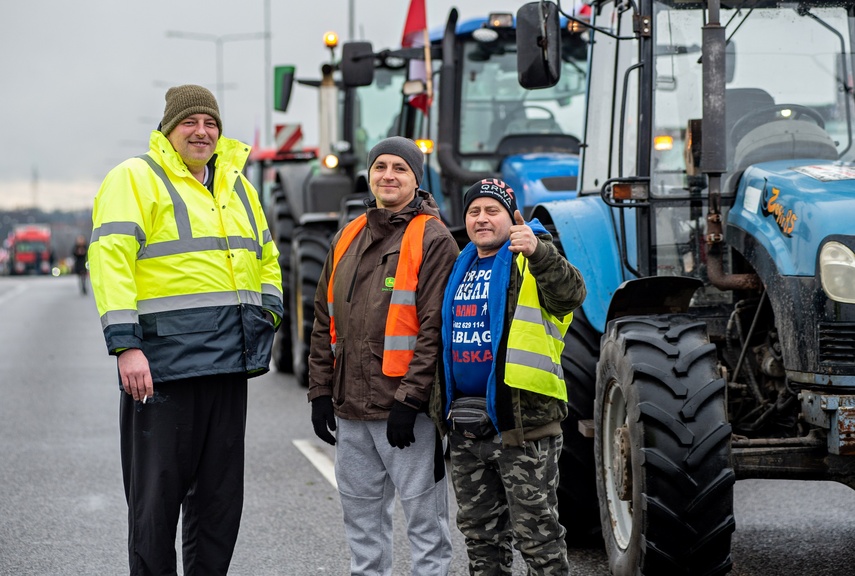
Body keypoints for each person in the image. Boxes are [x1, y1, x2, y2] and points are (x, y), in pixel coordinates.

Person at [88, 84, 283, 575]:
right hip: (162, 370)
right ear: (168, 129)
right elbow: (109, 261)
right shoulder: (135, 177)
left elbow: (267, 258)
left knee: (219, 506)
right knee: (155, 506)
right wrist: (126, 346)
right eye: (191, 123)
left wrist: (268, 317)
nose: (202, 132)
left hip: (227, 366)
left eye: (210, 123)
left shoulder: (237, 185)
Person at [308, 136, 459, 575]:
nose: (388, 175)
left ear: (416, 178)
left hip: (405, 413)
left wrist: (410, 400)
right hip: (350, 410)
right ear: (369, 174)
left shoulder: (433, 238)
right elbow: (323, 320)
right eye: (380, 167)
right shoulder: (347, 235)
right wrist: (320, 392)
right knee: (361, 527)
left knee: (425, 526)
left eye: (400, 168)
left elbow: (434, 329)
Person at [438, 178, 586, 575]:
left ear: (510, 217)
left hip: (523, 427)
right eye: (474, 212)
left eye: (492, 211)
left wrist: (539, 252)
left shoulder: (530, 257)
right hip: (468, 427)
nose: (482, 219)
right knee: (481, 539)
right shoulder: (461, 263)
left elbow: (571, 294)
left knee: (538, 538)